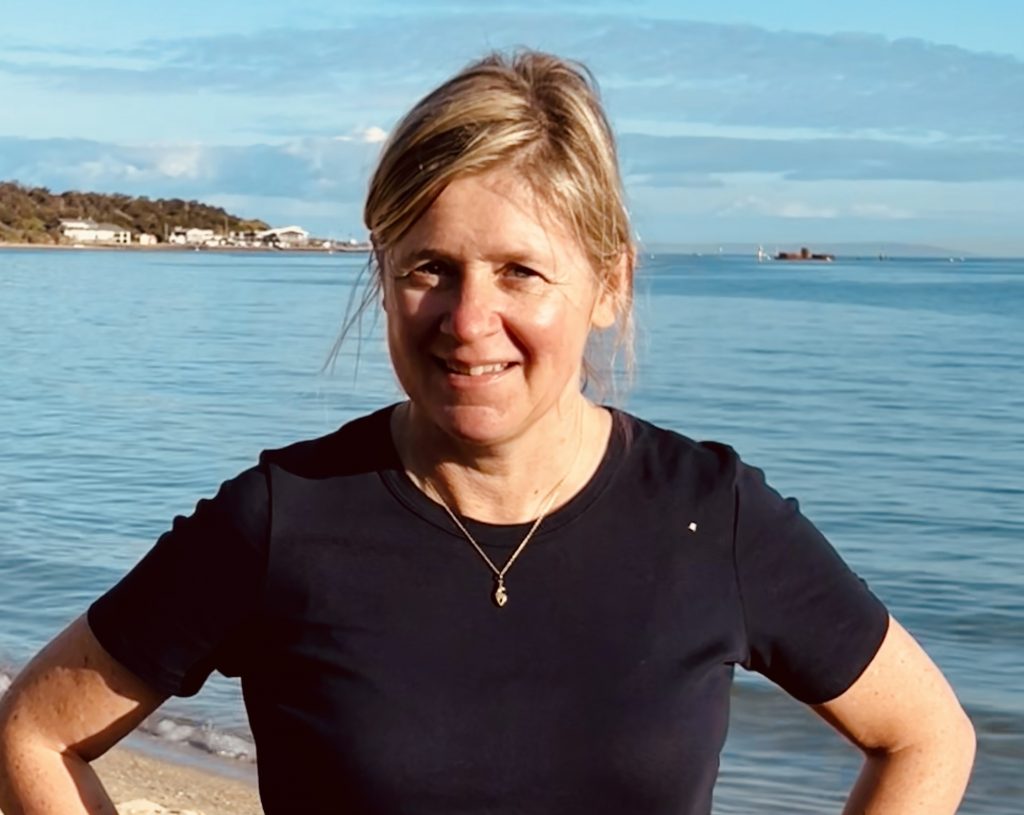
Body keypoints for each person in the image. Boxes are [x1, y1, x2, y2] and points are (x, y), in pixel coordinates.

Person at [0, 50, 975, 815]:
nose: (469, 319)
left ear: (610, 282)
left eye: (520, 269)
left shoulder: (707, 517)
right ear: (384, 276)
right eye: (431, 267)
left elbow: (926, 734)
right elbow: (35, 732)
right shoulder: (284, 519)